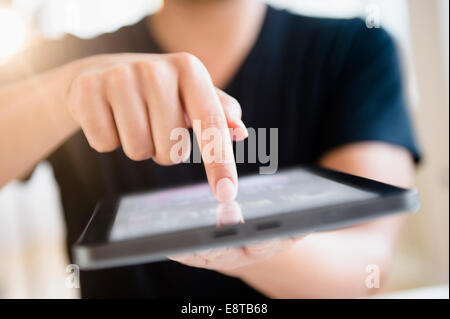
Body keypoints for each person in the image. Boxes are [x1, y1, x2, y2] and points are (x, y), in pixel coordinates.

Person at [0, 0, 420, 298]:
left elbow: (366, 264)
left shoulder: (355, 48)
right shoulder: (59, 59)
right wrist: (65, 90)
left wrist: (254, 245)